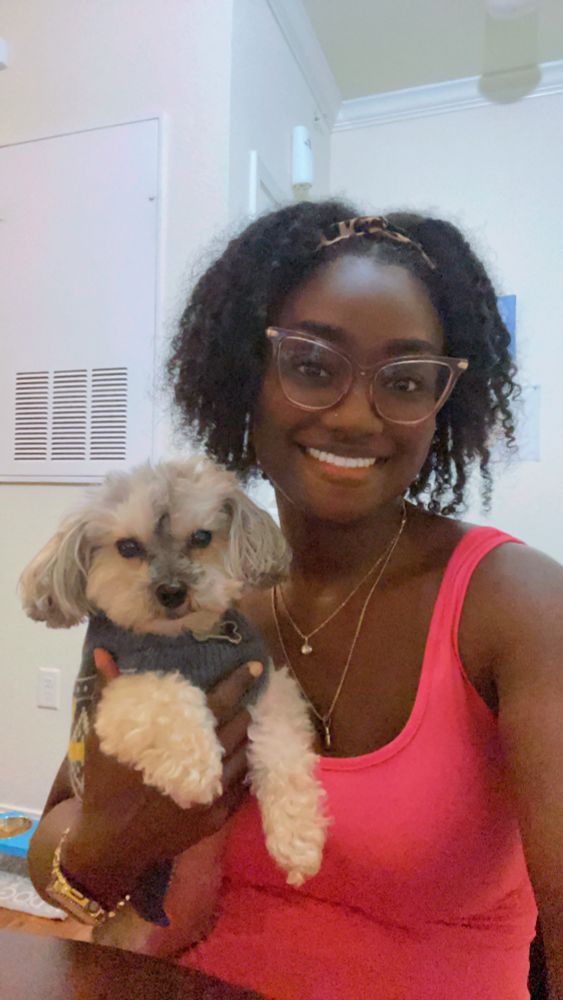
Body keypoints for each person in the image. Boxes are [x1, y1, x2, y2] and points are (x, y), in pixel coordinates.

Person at [29, 202, 562, 999]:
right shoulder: (181, 593)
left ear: (444, 403)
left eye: (405, 380)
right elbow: (56, 852)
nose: (354, 414)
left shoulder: (520, 609)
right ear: (246, 375)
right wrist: (112, 840)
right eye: (312, 366)